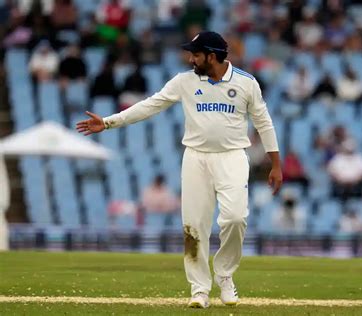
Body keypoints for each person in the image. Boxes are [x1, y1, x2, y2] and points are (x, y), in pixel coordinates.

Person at [76, 31, 282, 309]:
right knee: (194, 226)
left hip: (232, 157)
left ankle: (225, 275)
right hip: (195, 159)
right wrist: (110, 122)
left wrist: (276, 164)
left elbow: (264, 122)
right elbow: (151, 104)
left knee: (235, 219)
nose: (190, 58)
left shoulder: (246, 83)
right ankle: (199, 289)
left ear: (212, 56)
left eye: (196, 54)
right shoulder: (185, 81)